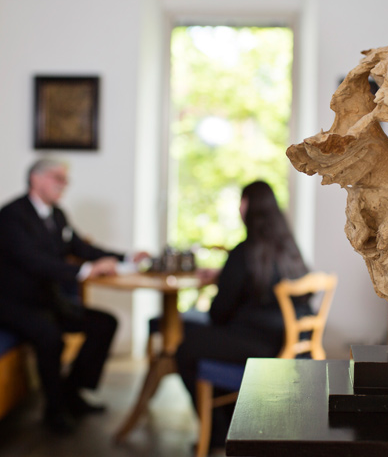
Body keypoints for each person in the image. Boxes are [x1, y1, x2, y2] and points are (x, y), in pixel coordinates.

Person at [0, 157, 148, 434]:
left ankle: (72, 392)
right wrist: (87, 270)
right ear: (36, 179)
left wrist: (126, 257)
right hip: (15, 305)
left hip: (49, 301)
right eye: (58, 177)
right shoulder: (11, 216)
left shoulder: (57, 215)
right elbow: (33, 261)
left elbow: (83, 248)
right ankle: (54, 410)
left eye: (65, 179)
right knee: (50, 337)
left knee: (104, 323)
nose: (64, 184)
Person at [176, 180, 312, 450]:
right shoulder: (288, 248)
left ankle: (217, 432)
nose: (239, 208)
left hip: (261, 348)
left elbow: (219, 313)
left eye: (242, 201)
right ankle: (230, 425)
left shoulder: (245, 251)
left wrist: (226, 280)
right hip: (290, 343)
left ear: (249, 207)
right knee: (203, 335)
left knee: (187, 346)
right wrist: (224, 275)